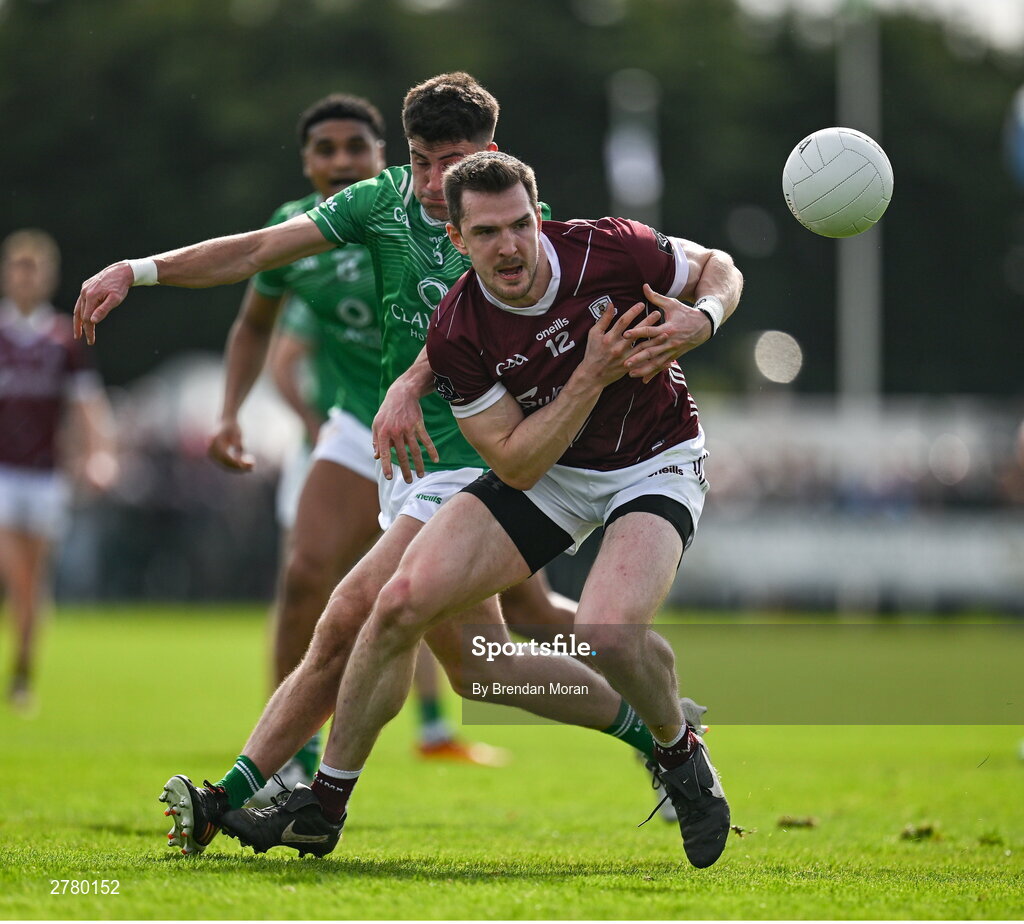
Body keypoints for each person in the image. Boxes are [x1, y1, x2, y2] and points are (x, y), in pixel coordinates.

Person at [75, 74, 664, 858]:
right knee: (485, 673)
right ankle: (664, 737)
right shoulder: (382, 202)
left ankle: (239, 796)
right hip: (407, 464)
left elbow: (523, 324)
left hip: (481, 466)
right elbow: (257, 253)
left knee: (353, 614)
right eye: (419, 162)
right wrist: (138, 270)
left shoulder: (513, 224)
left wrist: (414, 382)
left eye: (446, 165)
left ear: (489, 157)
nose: (428, 185)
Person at [214, 152, 744, 869]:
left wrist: (701, 320)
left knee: (607, 633)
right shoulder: (459, 327)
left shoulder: (607, 247)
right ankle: (323, 806)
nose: (511, 246)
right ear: (458, 241)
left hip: (655, 459)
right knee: (398, 603)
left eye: (521, 225)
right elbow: (516, 462)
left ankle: (680, 754)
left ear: (539, 217)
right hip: (546, 468)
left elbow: (719, 266)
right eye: (488, 233)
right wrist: (590, 374)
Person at [205, 94, 504, 796]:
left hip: (457, 440)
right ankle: (290, 762)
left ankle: (651, 711)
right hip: (352, 426)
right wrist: (232, 412)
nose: (340, 161)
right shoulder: (302, 234)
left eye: (354, 149)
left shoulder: (471, 221)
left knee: (499, 640)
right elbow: (265, 331)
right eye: (324, 149)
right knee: (311, 576)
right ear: (305, 162)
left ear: (378, 160)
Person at [0, 229, 118, 711]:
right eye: (18, 269)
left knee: (34, 579)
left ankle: (25, 667)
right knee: (15, 573)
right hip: (4, 473)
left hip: (46, 474)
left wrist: (100, 454)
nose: (26, 279)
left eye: (35, 270)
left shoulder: (61, 339)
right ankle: (21, 666)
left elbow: (87, 403)